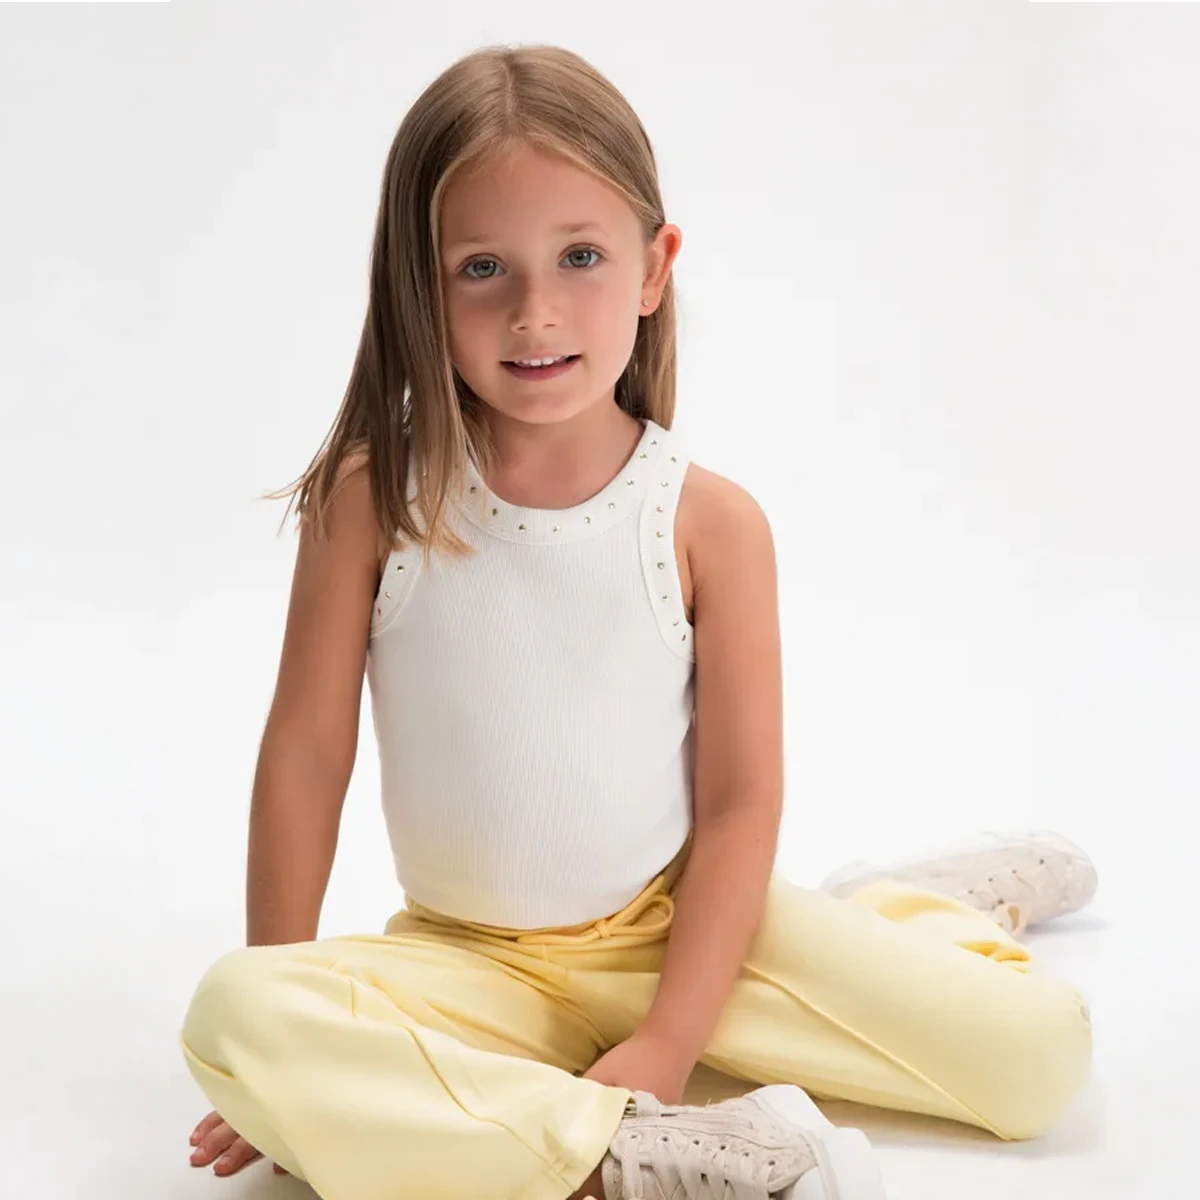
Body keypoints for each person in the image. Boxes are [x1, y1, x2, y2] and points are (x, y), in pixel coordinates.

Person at [179, 43, 1096, 1200]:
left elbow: (739, 802)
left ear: (654, 269)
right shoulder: (376, 501)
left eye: (581, 257)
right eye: (480, 268)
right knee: (236, 1011)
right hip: (464, 965)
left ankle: (912, 916)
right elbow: (307, 757)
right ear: (420, 284)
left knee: (1038, 1057)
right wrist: (279, 1044)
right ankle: (623, 1159)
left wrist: (669, 1040)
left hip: (681, 934)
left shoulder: (709, 524)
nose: (535, 312)